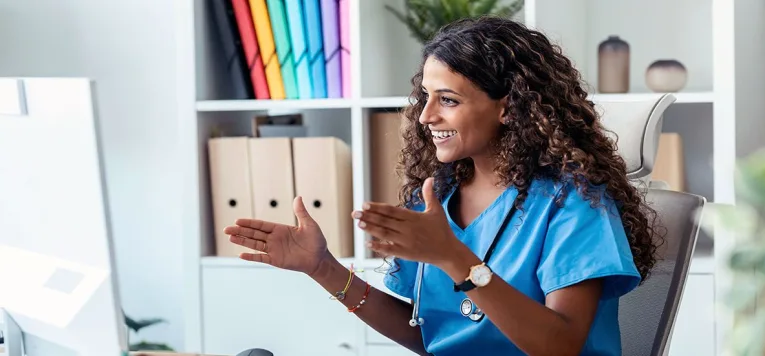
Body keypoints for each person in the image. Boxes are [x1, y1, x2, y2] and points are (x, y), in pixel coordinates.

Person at [223, 16, 660, 356]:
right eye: (425, 97)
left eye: (448, 100)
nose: (425, 116)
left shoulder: (574, 203)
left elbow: (560, 346)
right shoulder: (438, 195)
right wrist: (323, 269)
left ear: (508, 107)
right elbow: (429, 337)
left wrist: (452, 255)